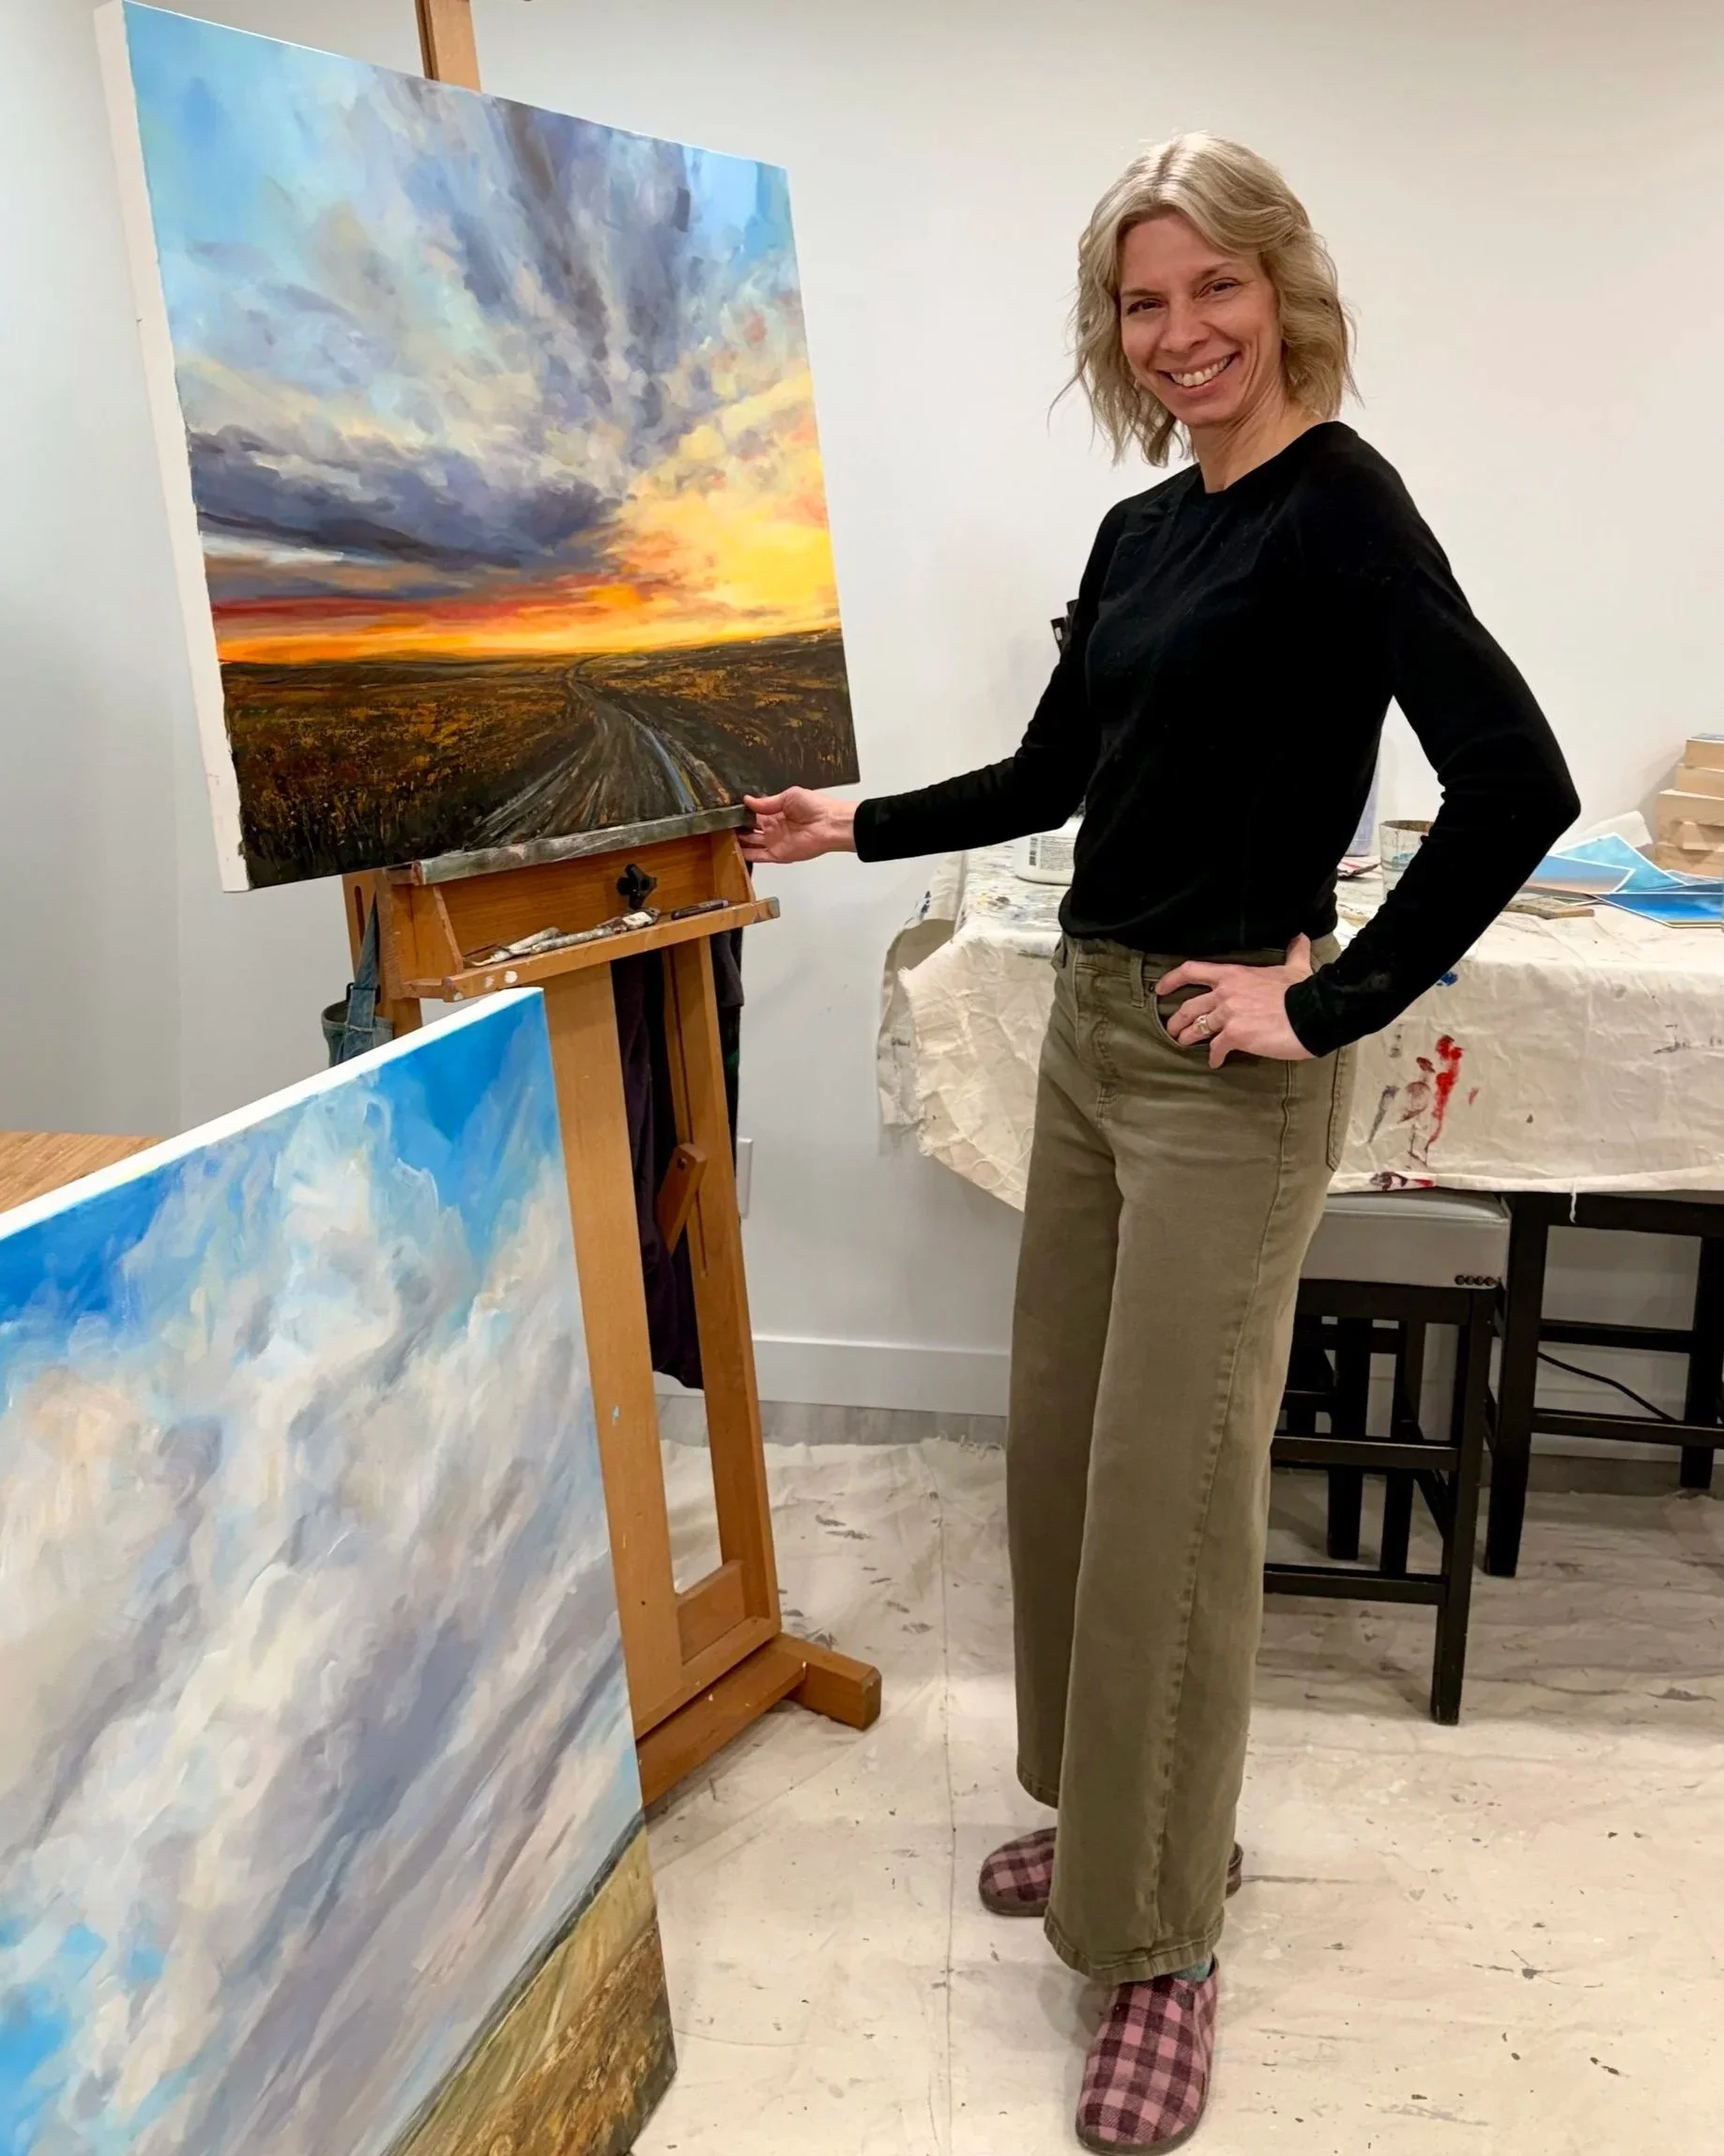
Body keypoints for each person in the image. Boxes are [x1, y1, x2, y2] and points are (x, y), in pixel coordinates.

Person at [743, 132, 1579, 2153]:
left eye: (1217, 286)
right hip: (1092, 1034)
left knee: (1173, 1500)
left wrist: (1331, 999)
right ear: (1113, 330)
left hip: (1225, 1073)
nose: (1183, 330)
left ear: (1284, 290)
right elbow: (1060, 768)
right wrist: (858, 820)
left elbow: (1516, 781)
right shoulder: (1139, 532)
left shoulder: (1343, 507)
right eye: (1145, 301)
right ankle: (1115, 1822)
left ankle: (1162, 1939)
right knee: (1061, 1455)